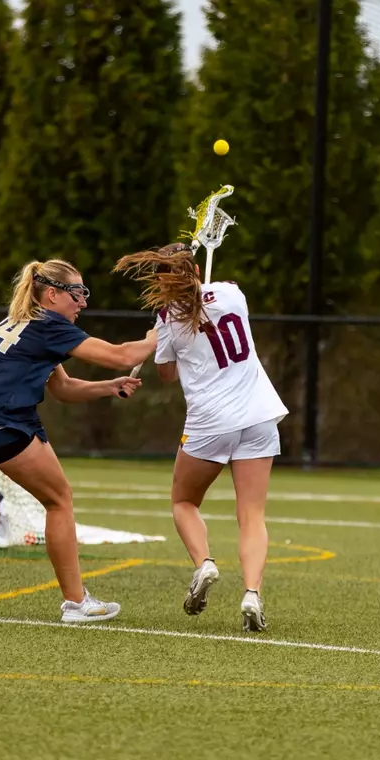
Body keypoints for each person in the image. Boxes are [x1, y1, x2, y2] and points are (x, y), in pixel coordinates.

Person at [0, 258, 154, 624]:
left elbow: (64, 388)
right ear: (52, 294)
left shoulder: (16, 324)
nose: (83, 302)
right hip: (0, 420)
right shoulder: (51, 325)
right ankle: (75, 603)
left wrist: (109, 387)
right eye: (77, 293)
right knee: (59, 500)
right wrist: (161, 332)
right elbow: (123, 355)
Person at [114, 243, 288, 631]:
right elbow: (212, 298)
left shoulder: (167, 318)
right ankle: (252, 594)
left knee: (184, 501)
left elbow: (167, 375)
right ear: (193, 267)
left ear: (161, 280)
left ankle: (204, 564)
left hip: (211, 421)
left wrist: (161, 334)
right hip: (259, 415)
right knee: (251, 515)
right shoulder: (233, 293)